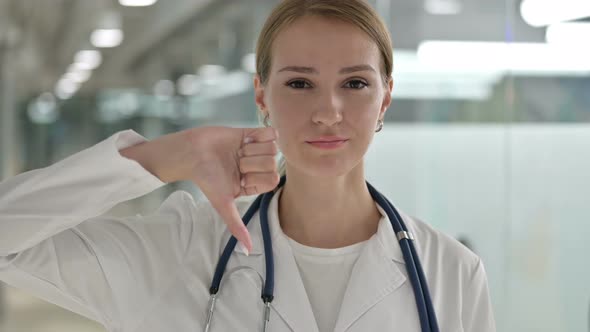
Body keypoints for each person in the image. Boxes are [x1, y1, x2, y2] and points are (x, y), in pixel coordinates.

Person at [0, 0, 496, 331]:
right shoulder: (182, 249)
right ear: (263, 96)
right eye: (300, 83)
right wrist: (164, 157)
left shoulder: (449, 271)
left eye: (356, 83)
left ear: (386, 99)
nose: (328, 112)